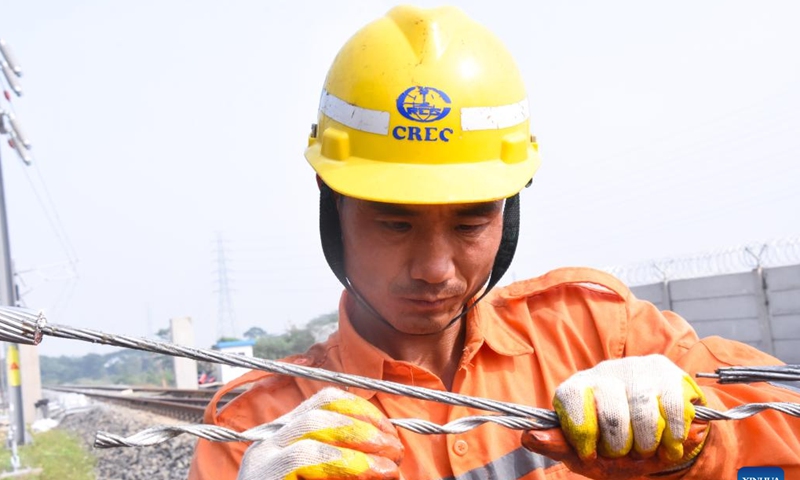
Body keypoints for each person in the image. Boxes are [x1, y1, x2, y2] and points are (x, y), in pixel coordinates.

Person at [188, 5, 800, 479]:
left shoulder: (597, 333)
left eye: (470, 224)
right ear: (333, 204)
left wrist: (699, 448)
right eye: (395, 223)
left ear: (508, 213)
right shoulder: (259, 429)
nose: (435, 268)